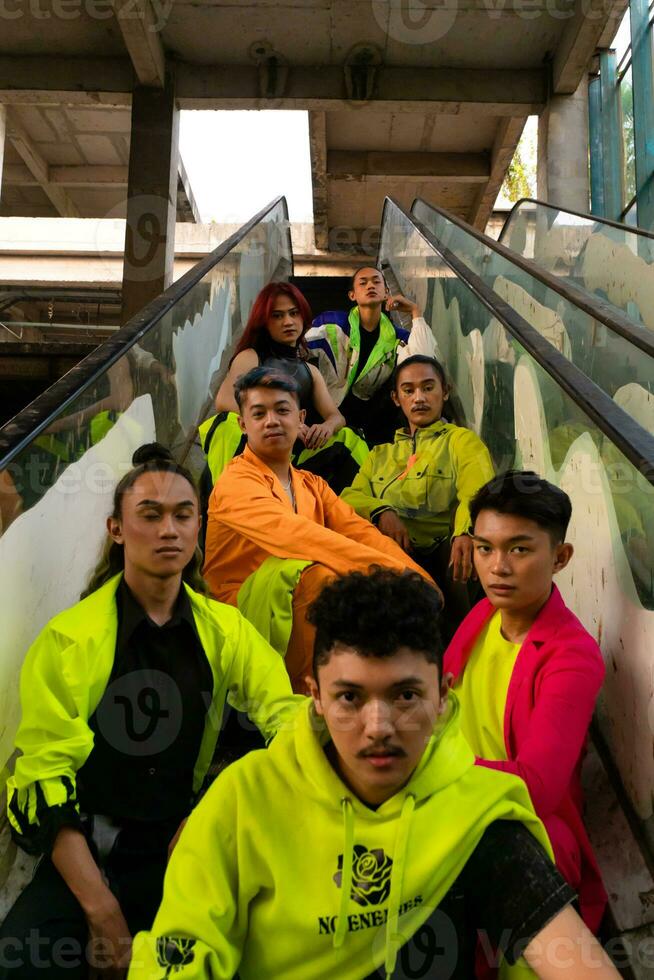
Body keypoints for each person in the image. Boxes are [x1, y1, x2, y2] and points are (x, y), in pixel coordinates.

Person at [129, 569, 620, 980]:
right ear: (314, 696)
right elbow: (181, 951)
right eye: (350, 698)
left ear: (443, 695)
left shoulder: (481, 813)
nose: (378, 728)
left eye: (406, 695)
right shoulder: (242, 801)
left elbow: (568, 953)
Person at [0, 444, 302, 979]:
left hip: (183, 847)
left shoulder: (226, 631)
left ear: (198, 528)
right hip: (84, 855)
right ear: (116, 529)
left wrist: (216, 806)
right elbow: (44, 776)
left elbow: (287, 720)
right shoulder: (71, 639)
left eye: (183, 516)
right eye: (151, 515)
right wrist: (100, 907)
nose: (169, 530)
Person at [203, 367, 436, 693]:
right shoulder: (236, 482)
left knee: (342, 573)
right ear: (243, 424)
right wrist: (392, 576)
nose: (271, 421)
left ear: (300, 419)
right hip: (237, 612)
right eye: (259, 413)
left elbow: (358, 531)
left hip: (288, 608)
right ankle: (310, 695)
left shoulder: (309, 483)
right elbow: (295, 535)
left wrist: (414, 575)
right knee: (318, 574)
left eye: (282, 410)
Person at [444, 471, 607, 933]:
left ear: (560, 557)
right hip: (448, 799)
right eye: (484, 548)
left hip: (520, 831)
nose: (497, 567)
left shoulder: (571, 657)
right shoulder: (483, 613)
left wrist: (423, 771)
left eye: (519, 549)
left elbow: (537, 788)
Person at [342, 354, 494, 628]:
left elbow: (477, 487)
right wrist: (382, 511)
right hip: (393, 552)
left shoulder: (460, 441)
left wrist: (465, 531)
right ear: (396, 398)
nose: (419, 398)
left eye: (428, 387)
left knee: (468, 555)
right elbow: (349, 497)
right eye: (408, 390)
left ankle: (462, 648)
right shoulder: (380, 454)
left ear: (444, 392)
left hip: (444, 553)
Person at [201, 281, 367, 492]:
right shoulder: (250, 357)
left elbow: (336, 416)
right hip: (254, 454)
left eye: (293, 313)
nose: (288, 321)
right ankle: (226, 502)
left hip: (293, 459)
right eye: (277, 316)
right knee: (227, 424)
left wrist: (326, 427)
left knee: (349, 437)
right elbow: (224, 402)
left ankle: (359, 512)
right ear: (264, 322)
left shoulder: (311, 371)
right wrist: (285, 422)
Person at [306, 266, 440, 445]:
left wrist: (415, 313)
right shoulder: (332, 324)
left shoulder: (396, 337)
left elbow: (424, 366)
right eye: (363, 283)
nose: (370, 285)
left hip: (366, 418)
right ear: (352, 295)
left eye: (376, 282)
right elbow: (297, 349)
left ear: (386, 293)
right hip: (324, 411)